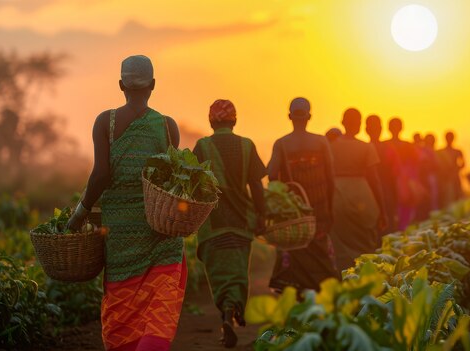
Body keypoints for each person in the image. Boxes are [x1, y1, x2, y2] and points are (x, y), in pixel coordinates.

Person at [66, 55, 186, 351]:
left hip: (121, 238)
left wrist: (80, 213)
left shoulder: (105, 122)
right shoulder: (168, 127)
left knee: (123, 318)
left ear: (121, 85)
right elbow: (171, 181)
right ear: (153, 85)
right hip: (161, 234)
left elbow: (101, 175)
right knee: (159, 313)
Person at [192, 99, 266, 348]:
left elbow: (191, 184)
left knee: (219, 274)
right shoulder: (247, 145)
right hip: (242, 222)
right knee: (237, 271)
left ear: (211, 121)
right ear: (234, 120)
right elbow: (256, 185)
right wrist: (262, 215)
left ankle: (226, 312)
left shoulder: (202, 147)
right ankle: (233, 310)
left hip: (212, 224)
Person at [267, 97, 340, 292]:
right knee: (321, 259)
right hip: (319, 212)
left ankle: (294, 297)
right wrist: (330, 211)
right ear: (310, 116)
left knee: (295, 255)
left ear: (289, 116)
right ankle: (322, 299)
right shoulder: (321, 141)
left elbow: (272, 174)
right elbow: (331, 179)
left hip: (294, 215)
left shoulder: (281, 144)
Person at [330, 108, 387, 271]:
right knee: (365, 243)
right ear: (360, 125)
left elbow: (326, 177)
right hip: (362, 197)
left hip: (337, 197)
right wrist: (382, 210)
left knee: (339, 242)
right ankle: (363, 277)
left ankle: (342, 278)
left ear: (342, 123)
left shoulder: (331, 146)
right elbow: (374, 180)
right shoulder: (366, 147)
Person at [385, 118, 420, 230]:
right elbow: (416, 165)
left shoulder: (386, 144)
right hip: (398, 182)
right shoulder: (406, 145)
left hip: (395, 182)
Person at [366, 115, 396, 235]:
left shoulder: (364, 148)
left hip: (367, 195)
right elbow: (395, 174)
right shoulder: (388, 148)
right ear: (381, 129)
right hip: (386, 192)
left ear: (366, 130)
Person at [438, 131, 465, 207]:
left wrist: (456, 169)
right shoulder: (441, 152)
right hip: (445, 178)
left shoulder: (458, 151)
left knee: (457, 196)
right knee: (445, 197)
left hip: (455, 177)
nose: (449, 140)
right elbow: (438, 165)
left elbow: (463, 164)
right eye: (448, 138)